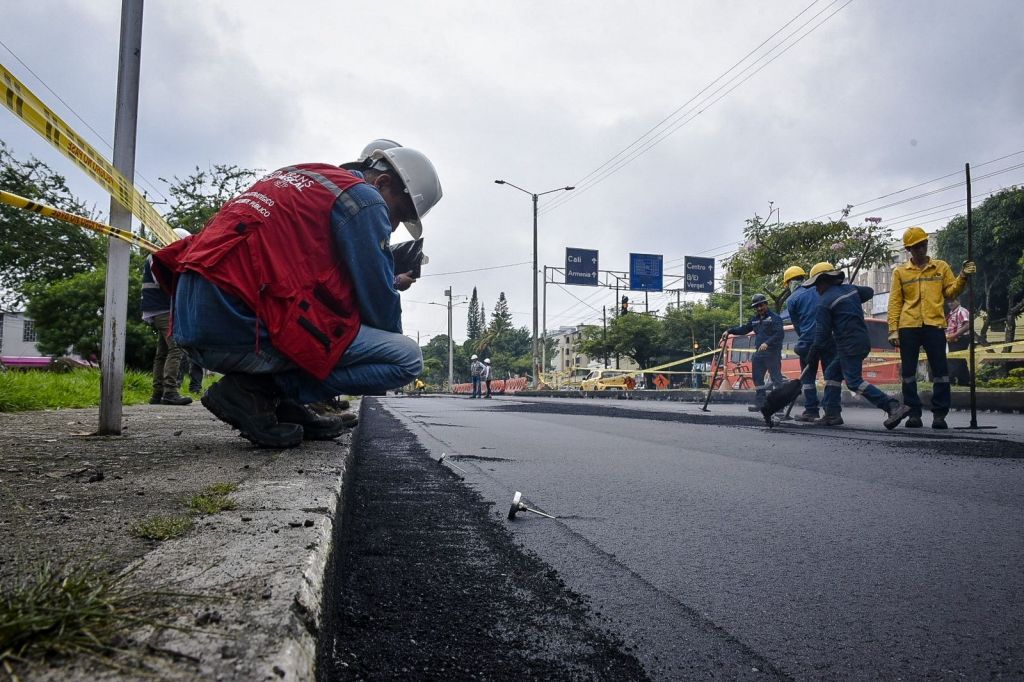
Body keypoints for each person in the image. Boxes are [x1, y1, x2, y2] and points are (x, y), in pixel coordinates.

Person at [152, 146, 443, 447]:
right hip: (234, 321)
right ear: (382, 183)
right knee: (406, 358)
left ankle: (282, 405)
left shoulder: (303, 175)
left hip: (190, 318)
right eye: (398, 214)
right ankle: (260, 392)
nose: (393, 226)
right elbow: (378, 302)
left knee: (327, 323)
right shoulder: (366, 199)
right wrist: (380, 341)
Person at [888, 226, 976, 429]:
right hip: (908, 325)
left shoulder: (941, 267)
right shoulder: (900, 272)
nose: (921, 249)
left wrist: (963, 276)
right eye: (916, 247)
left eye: (923, 245)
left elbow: (951, 292)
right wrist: (893, 329)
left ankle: (939, 415)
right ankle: (913, 414)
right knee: (909, 372)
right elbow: (895, 302)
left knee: (941, 372)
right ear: (909, 249)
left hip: (934, 324)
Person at [804, 266, 911, 429]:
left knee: (854, 382)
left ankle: (892, 405)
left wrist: (813, 353)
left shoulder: (824, 303)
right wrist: (849, 294)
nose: (816, 290)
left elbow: (822, 335)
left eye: (817, 285)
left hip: (849, 344)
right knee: (832, 373)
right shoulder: (850, 289)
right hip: (860, 341)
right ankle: (832, 414)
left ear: (825, 281)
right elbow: (868, 291)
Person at [141, 227, 193, 406]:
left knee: (162, 353)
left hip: (155, 310)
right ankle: (170, 391)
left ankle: (157, 393)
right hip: (162, 309)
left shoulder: (154, 255)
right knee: (176, 349)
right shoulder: (162, 257)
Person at [784, 264, 833, 422]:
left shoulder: (792, 299)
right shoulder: (822, 290)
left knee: (808, 378)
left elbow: (797, 326)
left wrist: (806, 338)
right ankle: (831, 411)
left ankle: (811, 410)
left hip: (808, 342)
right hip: (827, 338)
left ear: (789, 283)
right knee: (830, 376)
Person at [722, 293, 784, 412]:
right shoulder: (755, 320)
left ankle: (779, 405)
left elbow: (779, 334)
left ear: (766, 304)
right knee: (757, 379)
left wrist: (767, 343)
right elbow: (744, 329)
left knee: (776, 379)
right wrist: (729, 331)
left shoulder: (775, 318)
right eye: (757, 307)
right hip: (759, 354)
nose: (759, 308)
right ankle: (760, 403)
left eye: (761, 305)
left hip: (772, 353)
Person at [945, 297, 972, 386]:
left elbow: (968, 325)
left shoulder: (962, 311)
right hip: (952, 339)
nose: (950, 304)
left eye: (952, 301)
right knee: (959, 359)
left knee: (953, 359)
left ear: (958, 301)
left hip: (960, 338)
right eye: (949, 302)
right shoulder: (952, 313)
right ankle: (964, 381)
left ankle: (951, 380)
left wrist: (955, 335)